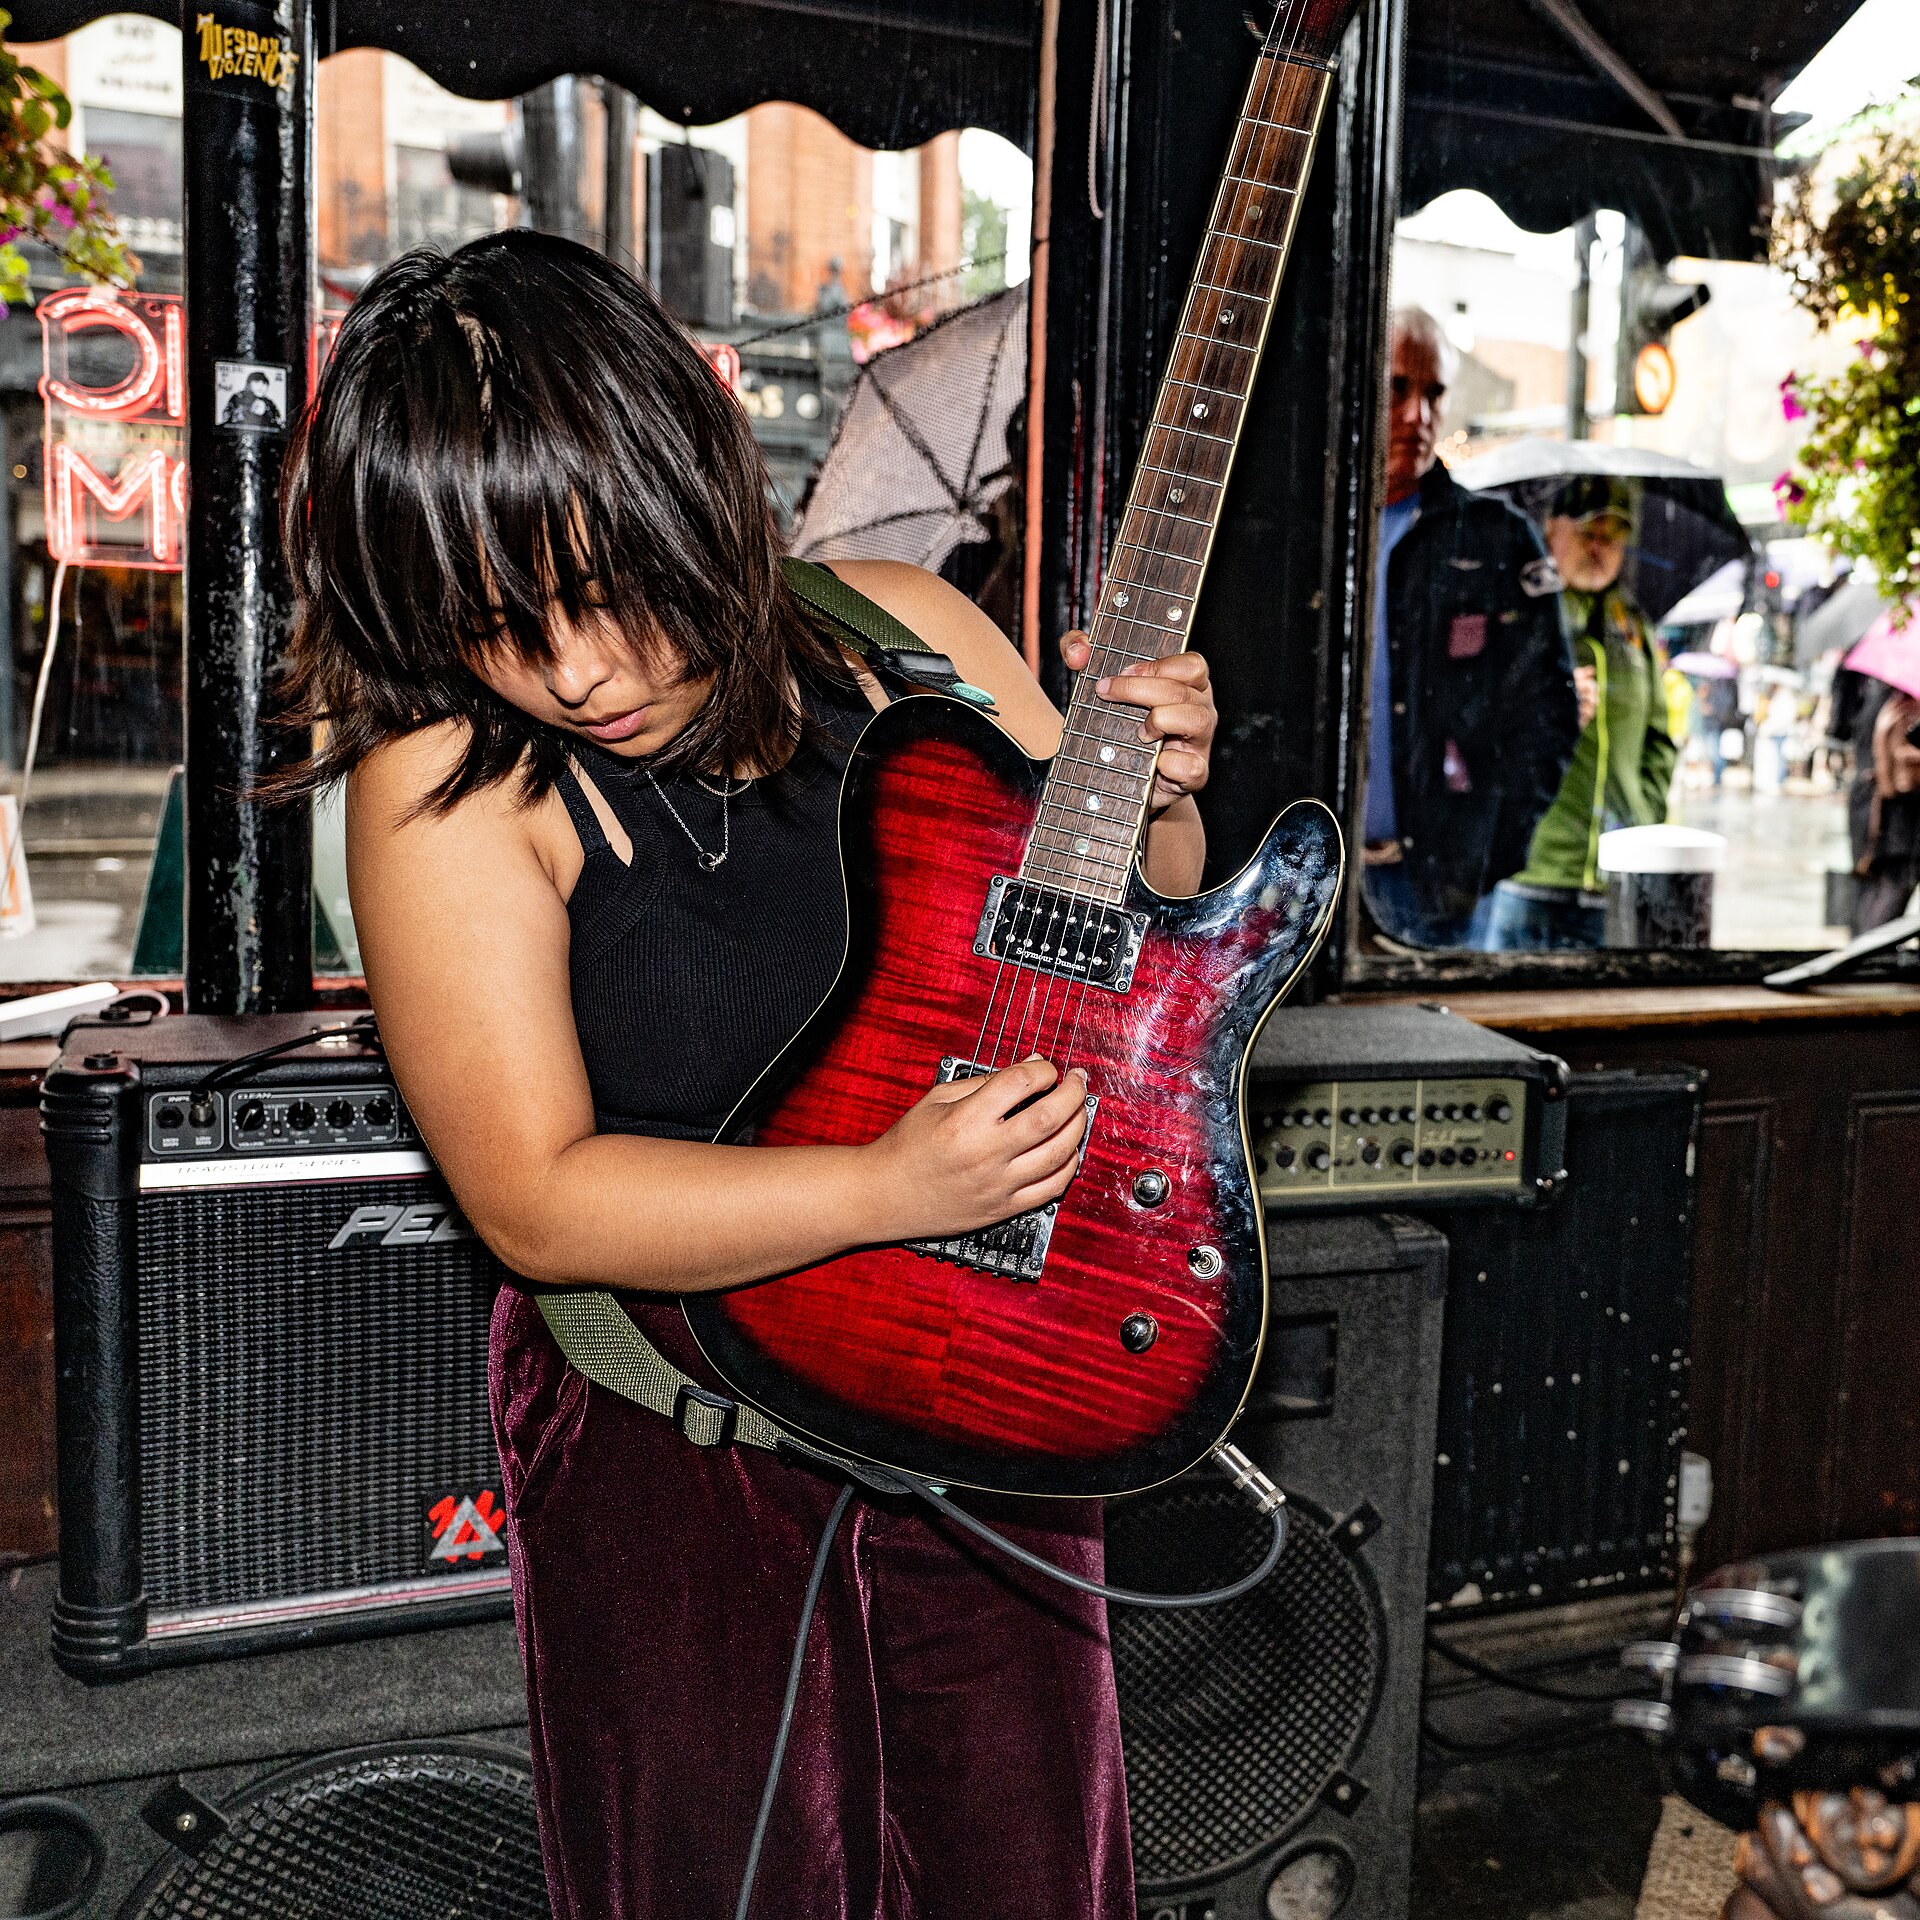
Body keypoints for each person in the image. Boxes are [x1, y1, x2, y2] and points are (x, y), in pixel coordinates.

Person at [277, 231, 1223, 1918]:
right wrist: (887, 1187)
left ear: (689, 478)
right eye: (494, 627)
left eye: (607, 589)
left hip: (993, 1376)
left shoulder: (912, 632)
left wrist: (1157, 794)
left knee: (1033, 1875)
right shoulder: (447, 780)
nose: (576, 672)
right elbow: (539, 1199)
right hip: (678, 1435)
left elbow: (1118, 965)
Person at [1362, 308, 1580, 948]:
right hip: (1301, 877)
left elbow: (1549, 706)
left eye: (1433, 394)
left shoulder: (1498, 537)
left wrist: (1488, 849)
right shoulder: (1307, 530)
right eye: (1397, 387)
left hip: (1440, 888)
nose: (1417, 416)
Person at [1480, 475, 1679, 952]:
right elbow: (1478, 731)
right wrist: (1549, 711)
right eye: (1588, 532)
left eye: (1614, 536)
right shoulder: (1519, 617)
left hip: (1615, 883)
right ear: (1552, 532)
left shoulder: (1634, 630)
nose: (1601, 547)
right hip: (1530, 877)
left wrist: (1640, 818)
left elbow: (1659, 742)